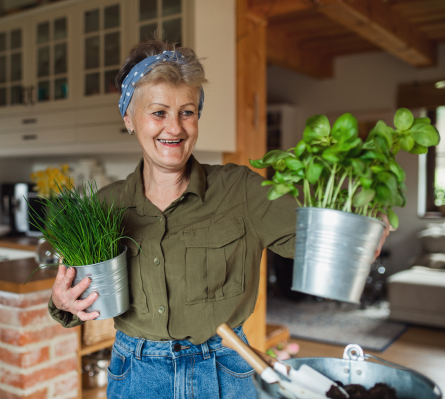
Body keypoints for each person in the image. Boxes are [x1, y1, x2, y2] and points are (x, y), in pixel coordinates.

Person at [47, 39, 390, 399]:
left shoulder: (241, 189)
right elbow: (73, 297)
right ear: (129, 119)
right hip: (136, 375)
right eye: (158, 112)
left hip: (225, 369)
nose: (175, 128)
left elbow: (317, 245)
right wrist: (63, 302)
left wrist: (363, 230)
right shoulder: (105, 206)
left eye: (187, 112)